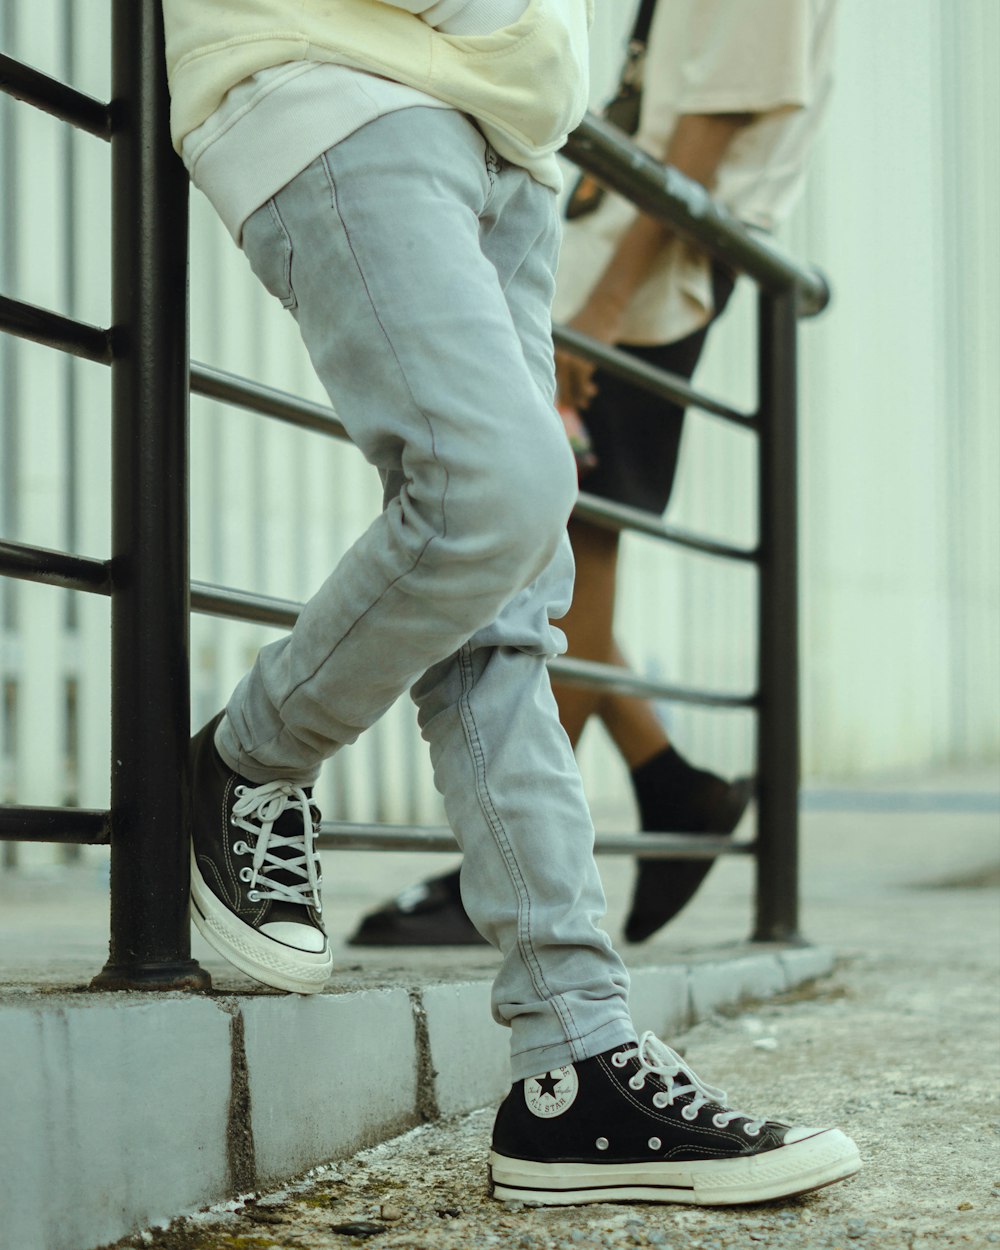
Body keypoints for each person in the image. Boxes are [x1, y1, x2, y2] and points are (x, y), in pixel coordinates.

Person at [164, 0, 859, 1205]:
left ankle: (573, 1063)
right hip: (342, 76)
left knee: (512, 598)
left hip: (518, 128)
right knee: (495, 492)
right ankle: (245, 755)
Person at [351, 0, 837, 948]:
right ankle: (663, 790)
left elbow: (711, 125)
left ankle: (517, 866)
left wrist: (604, 314)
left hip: (639, 292)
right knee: (565, 562)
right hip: (620, 280)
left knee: (554, 564)